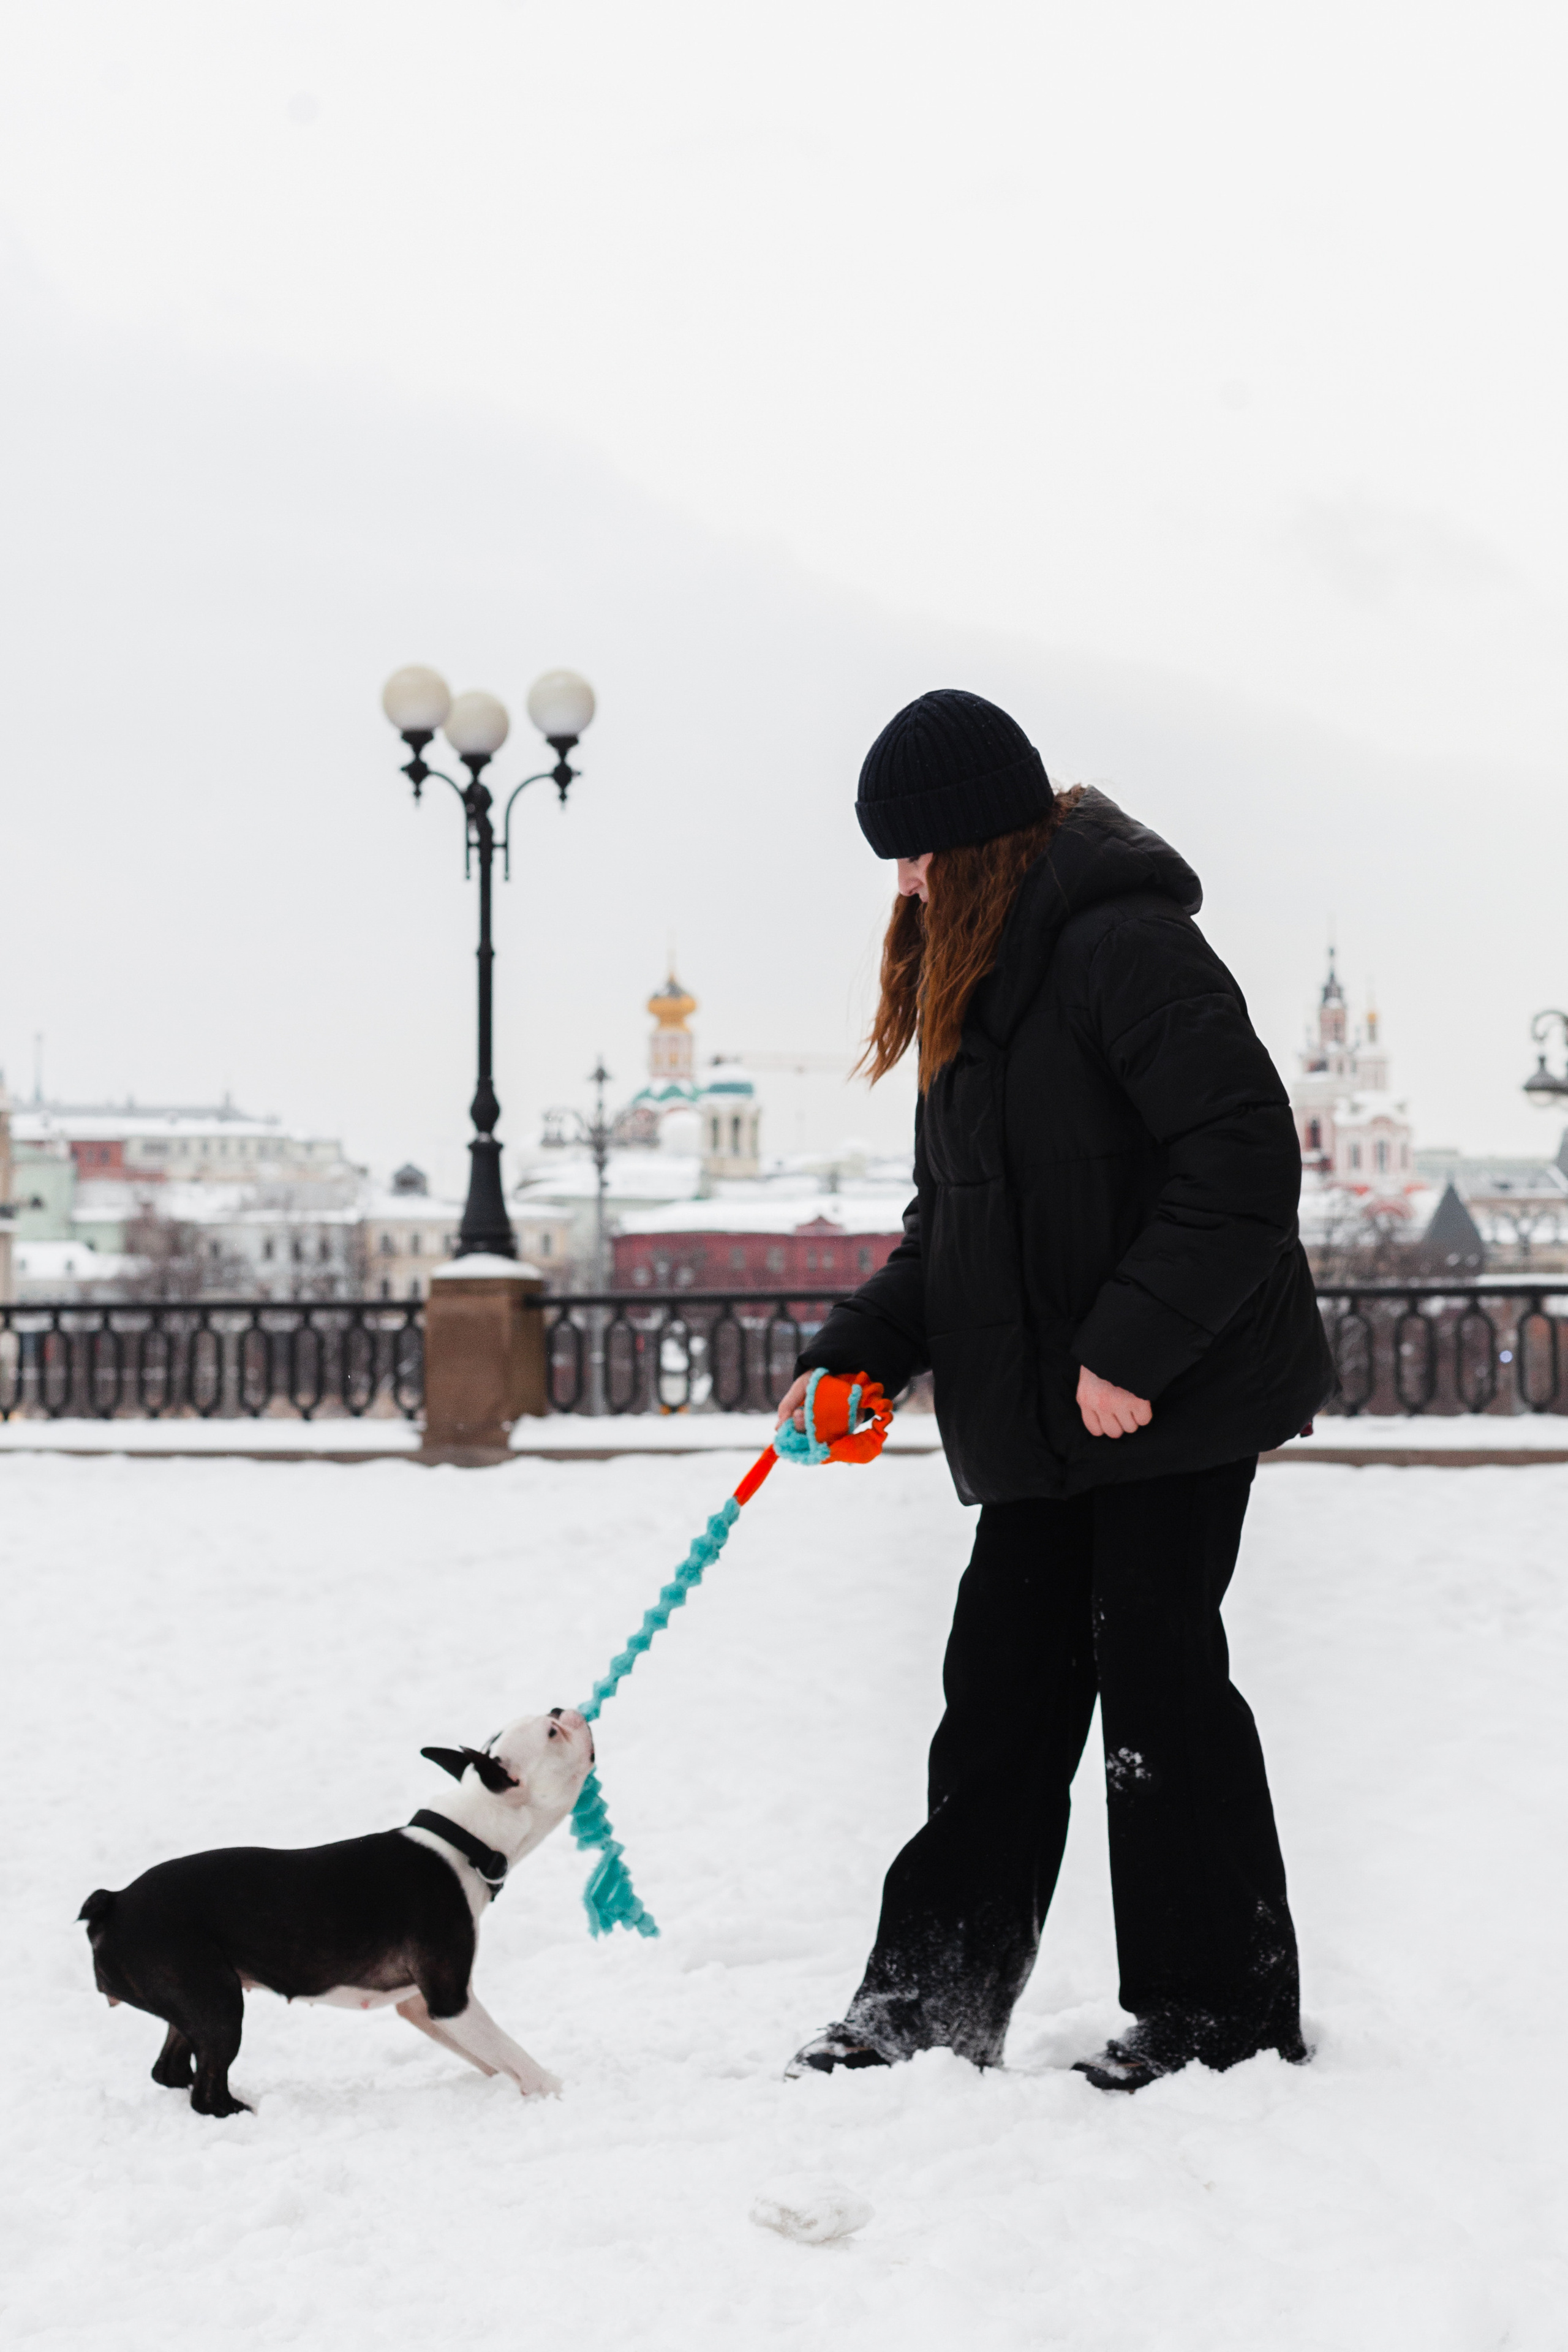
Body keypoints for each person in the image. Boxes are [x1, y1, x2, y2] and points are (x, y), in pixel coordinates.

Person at [777, 689, 1333, 2092]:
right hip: (1043, 1411)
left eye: (914, 856)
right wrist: (854, 1354)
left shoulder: (1124, 947)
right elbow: (952, 1229)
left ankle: (1218, 2013)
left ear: (973, 841)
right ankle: (926, 2006)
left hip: (1172, 1393)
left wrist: (1131, 1350)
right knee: (999, 1701)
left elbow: (1241, 1163)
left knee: (1157, 1688)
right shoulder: (970, 990)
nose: (902, 886)